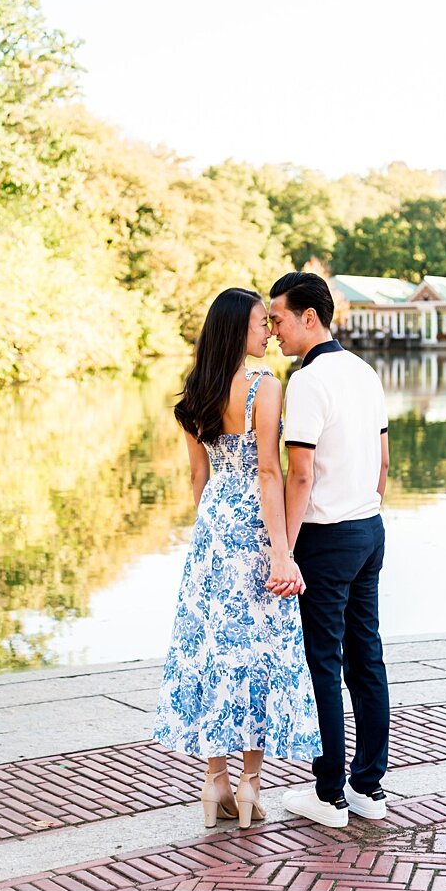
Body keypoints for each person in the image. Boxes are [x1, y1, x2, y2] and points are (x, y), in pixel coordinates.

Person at [153, 288, 322, 829]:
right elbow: (270, 473)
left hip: (211, 529)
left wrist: (209, 532)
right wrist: (281, 550)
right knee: (257, 650)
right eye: (258, 323)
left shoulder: (194, 392)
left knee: (211, 650)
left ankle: (213, 782)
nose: (268, 332)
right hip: (253, 524)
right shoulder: (264, 387)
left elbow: (198, 477)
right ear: (235, 330)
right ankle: (250, 783)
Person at [269, 272, 393, 829]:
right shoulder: (365, 372)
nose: (273, 331)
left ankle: (329, 795)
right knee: (366, 658)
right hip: (368, 528)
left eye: (278, 318)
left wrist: (287, 551)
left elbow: (300, 474)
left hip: (325, 537)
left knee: (323, 661)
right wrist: (364, 510)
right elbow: (385, 464)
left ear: (308, 318)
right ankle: (369, 787)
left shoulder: (307, 381)